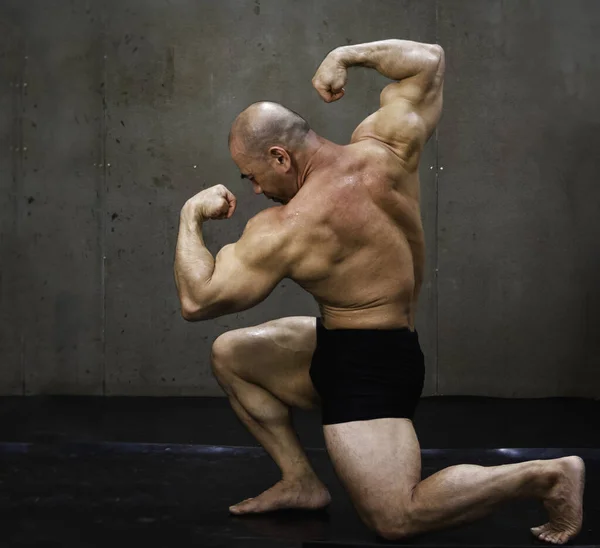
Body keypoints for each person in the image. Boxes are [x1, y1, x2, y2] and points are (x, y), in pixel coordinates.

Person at [174, 39, 584, 545]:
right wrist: (344, 56)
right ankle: (300, 481)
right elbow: (429, 62)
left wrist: (190, 216)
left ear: (280, 156)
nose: (255, 189)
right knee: (232, 353)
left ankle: (546, 476)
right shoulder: (386, 145)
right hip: (358, 344)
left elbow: (197, 299)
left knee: (396, 516)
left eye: (252, 175)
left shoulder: (287, 228)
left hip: (369, 375)